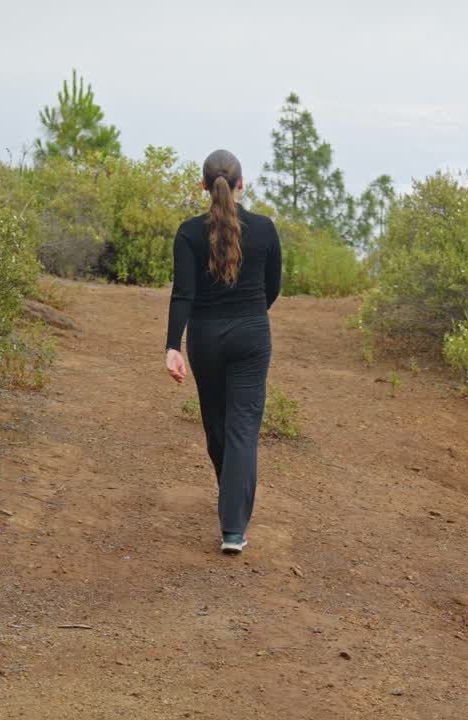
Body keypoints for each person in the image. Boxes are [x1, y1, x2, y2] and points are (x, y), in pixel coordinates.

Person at [164, 149, 281, 555]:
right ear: (241, 184)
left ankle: (231, 511)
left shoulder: (188, 232)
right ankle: (233, 527)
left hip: (205, 339)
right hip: (251, 335)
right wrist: (248, 315)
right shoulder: (265, 228)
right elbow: (273, 287)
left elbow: (183, 294)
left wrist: (171, 347)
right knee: (241, 429)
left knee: (217, 425)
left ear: (203, 185)